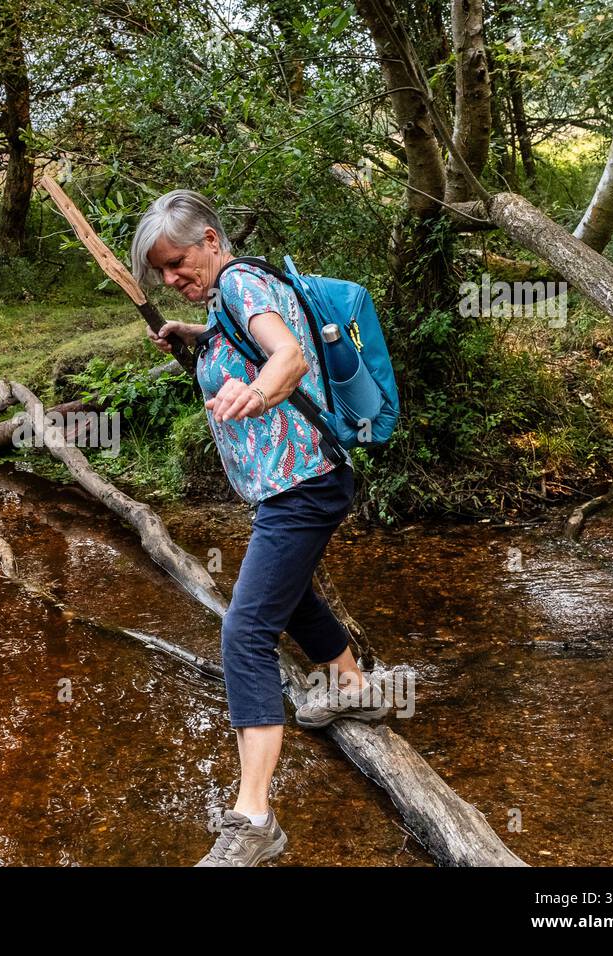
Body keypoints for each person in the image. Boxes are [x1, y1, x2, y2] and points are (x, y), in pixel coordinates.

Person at [130, 189, 390, 867]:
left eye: (178, 261)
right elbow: (247, 339)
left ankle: (254, 817)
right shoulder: (226, 301)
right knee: (290, 593)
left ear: (213, 241)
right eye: (160, 272)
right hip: (293, 486)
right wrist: (195, 337)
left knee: (244, 630)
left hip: (302, 487)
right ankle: (356, 692)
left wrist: (261, 389)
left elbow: (287, 356)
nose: (171, 278)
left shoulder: (242, 282)